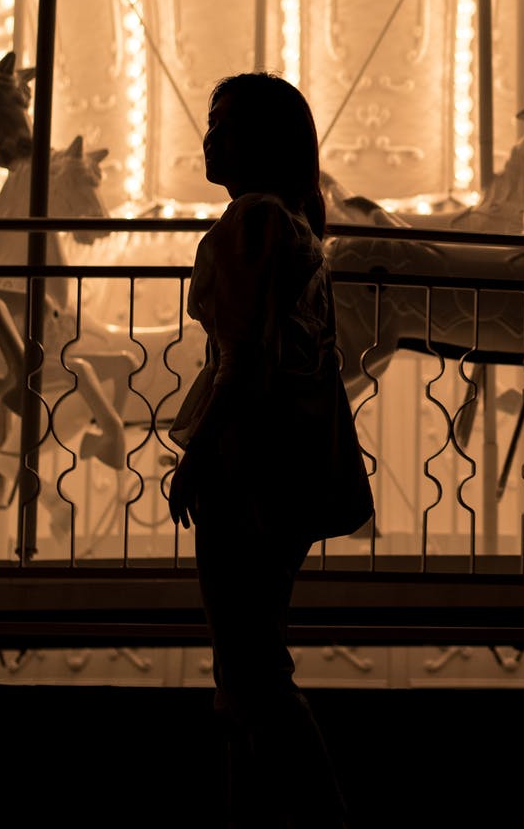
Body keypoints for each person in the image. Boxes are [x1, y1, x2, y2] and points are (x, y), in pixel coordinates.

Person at [169, 72, 354, 827]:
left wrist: (197, 452)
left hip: (248, 461)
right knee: (254, 657)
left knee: (247, 667)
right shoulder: (294, 223)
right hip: (295, 458)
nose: (209, 137)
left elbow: (244, 356)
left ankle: (314, 814)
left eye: (225, 122)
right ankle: (265, 811)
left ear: (262, 141)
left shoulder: (250, 221)